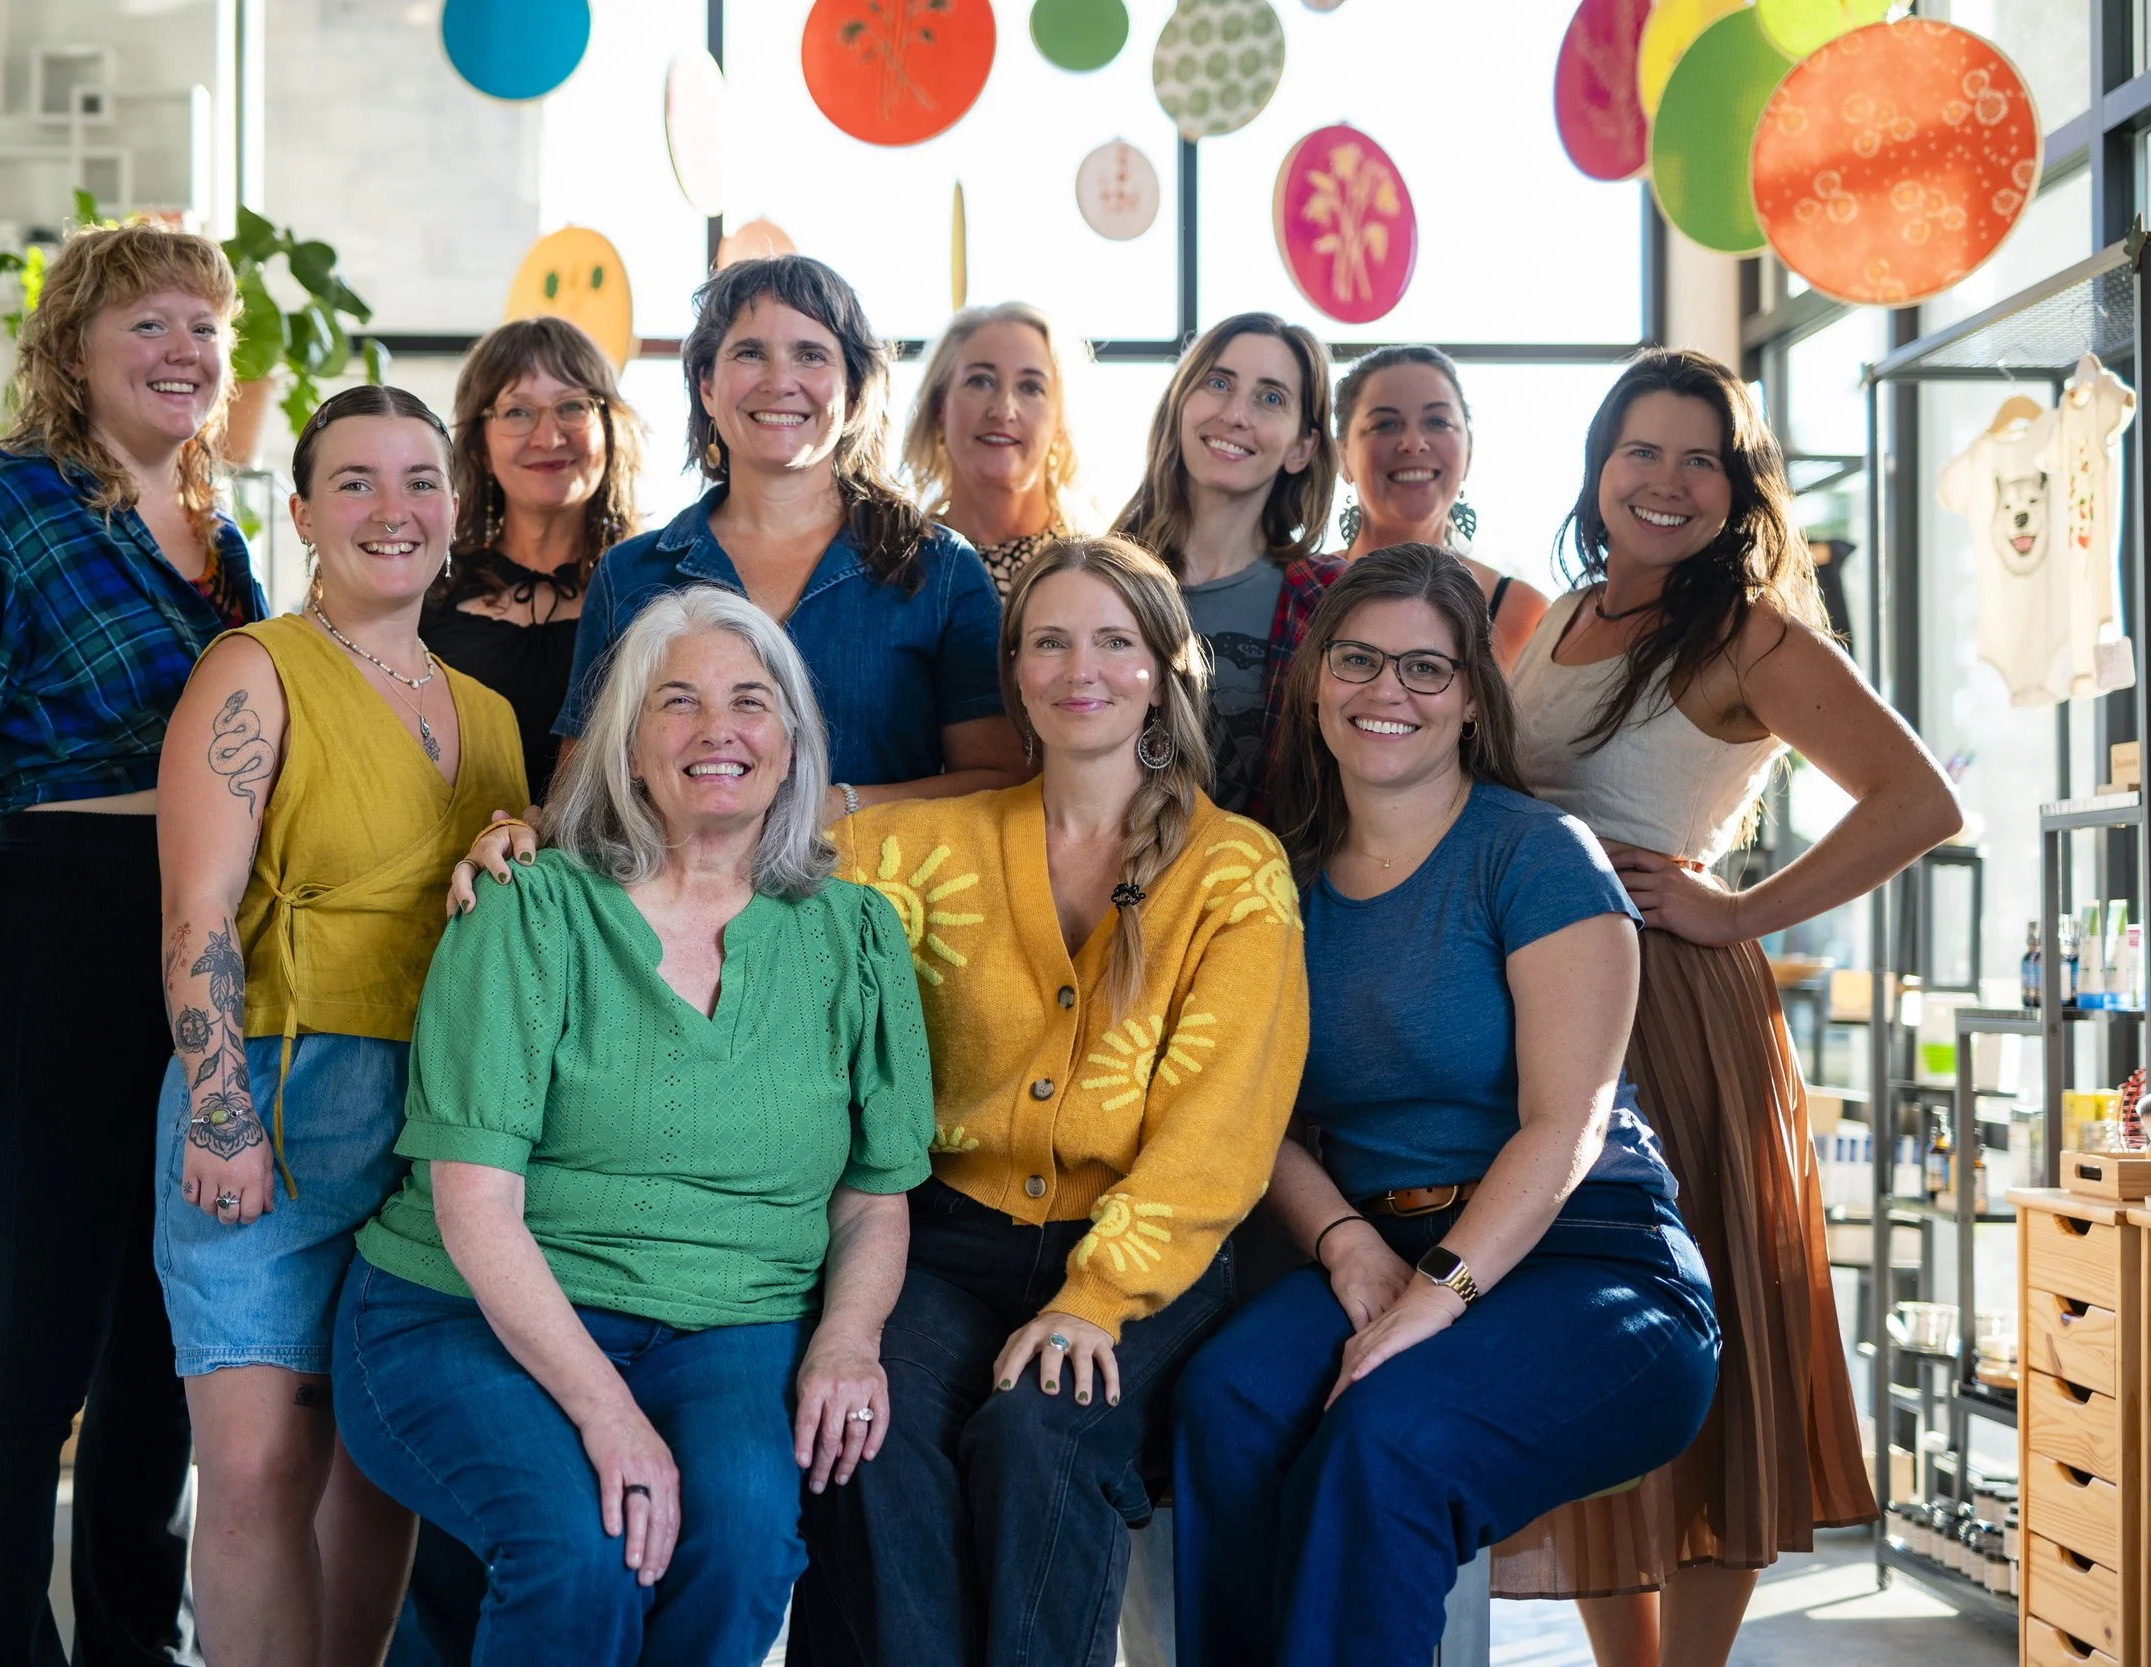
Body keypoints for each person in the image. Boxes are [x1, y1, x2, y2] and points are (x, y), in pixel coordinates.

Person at [334, 586, 937, 1667]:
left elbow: (872, 1197)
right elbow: (477, 1210)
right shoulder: (528, 906)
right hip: (470, 1308)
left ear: (794, 746)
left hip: (732, 1321)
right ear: (626, 745)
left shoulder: (854, 933)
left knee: (742, 1544)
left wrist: (848, 1341)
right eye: (678, 701)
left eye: (750, 701)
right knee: (581, 1549)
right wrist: (609, 1417)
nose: (717, 730)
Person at [1168, 545, 1721, 1667]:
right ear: (1313, 681)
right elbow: (1251, 1112)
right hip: (1383, 1242)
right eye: (1358, 659)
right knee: (1227, 1398)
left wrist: (1439, 1292)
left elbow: (1566, 1122)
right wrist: (1345, 1243)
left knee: (1389, 1437)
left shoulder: (1537, 854)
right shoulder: (1277, 882)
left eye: (1425, 667)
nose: (1388, 690)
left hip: (1590, 1259)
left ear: (1472, 695)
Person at [1498, 349, 1959, 1667]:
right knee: (1591, 1337)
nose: (1668, 480)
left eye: (1701, 458)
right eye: (1641, 451)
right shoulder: (1563, 615)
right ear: (1599, 468)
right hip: (1549, 1009)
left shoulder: (1749, 631)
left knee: (1711, 1338)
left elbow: (1920, 800)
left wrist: (1738, 908)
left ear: (1738, 488)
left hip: (1675, 1015)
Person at [0, 220, 267, 1666]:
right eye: (148, 323)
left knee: (164, 1337)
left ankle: (128, 1645)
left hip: (201, 936)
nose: (184, 351)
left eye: (203, 328)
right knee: (40, 1339)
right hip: (64, 923)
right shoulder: (0, 516)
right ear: (72, 349)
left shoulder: (223, 542)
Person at [793, 535, 1310, 1667]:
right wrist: (537, 837)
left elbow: (1220, 1133)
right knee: (865, 1428)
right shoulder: (910, 850)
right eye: (1051, 642)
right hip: (942, 1244)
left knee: (1038, 1434)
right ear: (1015, 675)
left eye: (1114, 641)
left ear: (1163, 670)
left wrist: (1094, 1300)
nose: (1082, 669)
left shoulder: (1234, 871)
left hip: (1143, 1256)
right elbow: (705, 847)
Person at [152, 385, 529, 1666]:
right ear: (305, 513)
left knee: (380, 1465)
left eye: (419, 480)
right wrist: (221, 1111)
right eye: (354, 482)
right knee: (257, 1466)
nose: (392, 508)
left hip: (443, 1129)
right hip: (277, 1091)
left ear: (455, 506)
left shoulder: (490, 716)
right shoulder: (252, 668)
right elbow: (198, 907)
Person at [554, 254, 1022, 815]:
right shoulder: (630, 574)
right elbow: (582, 799)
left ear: (853, 393)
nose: (779, 382)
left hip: (886, 874)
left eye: (811, 355)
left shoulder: (940, 570)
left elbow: (1001, 782)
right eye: (750, 353)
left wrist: (841, 806)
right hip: (671, 877)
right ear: (707, 386)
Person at [1114, 312, 1340, 818]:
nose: (1236, 414)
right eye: (1218, 383)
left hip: (1271, 865)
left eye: (1271, 398)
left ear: (1301, 448)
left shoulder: (1326, 603)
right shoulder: (1098, 583)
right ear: (1180, 405)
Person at [427, 315, 646, 802]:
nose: (548, 437)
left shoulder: (654, 587)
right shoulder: (426, 591)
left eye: (572, 407)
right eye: (517, 412)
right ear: (480, 445)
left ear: (609, 429)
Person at [1330, 345, 1549, 669]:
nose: (1413, 443)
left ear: (1468, 453)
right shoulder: (1297, 590)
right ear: (1342, 456)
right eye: (1385, 424)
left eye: (1437, 421)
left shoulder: (1522, 613)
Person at [899, 300, 1080, 596]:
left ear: (1060, 418)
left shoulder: (1097, 568)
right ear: (940, 406)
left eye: (1031, 387)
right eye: (980, 381)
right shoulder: (894, 568)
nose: (1003, 410)